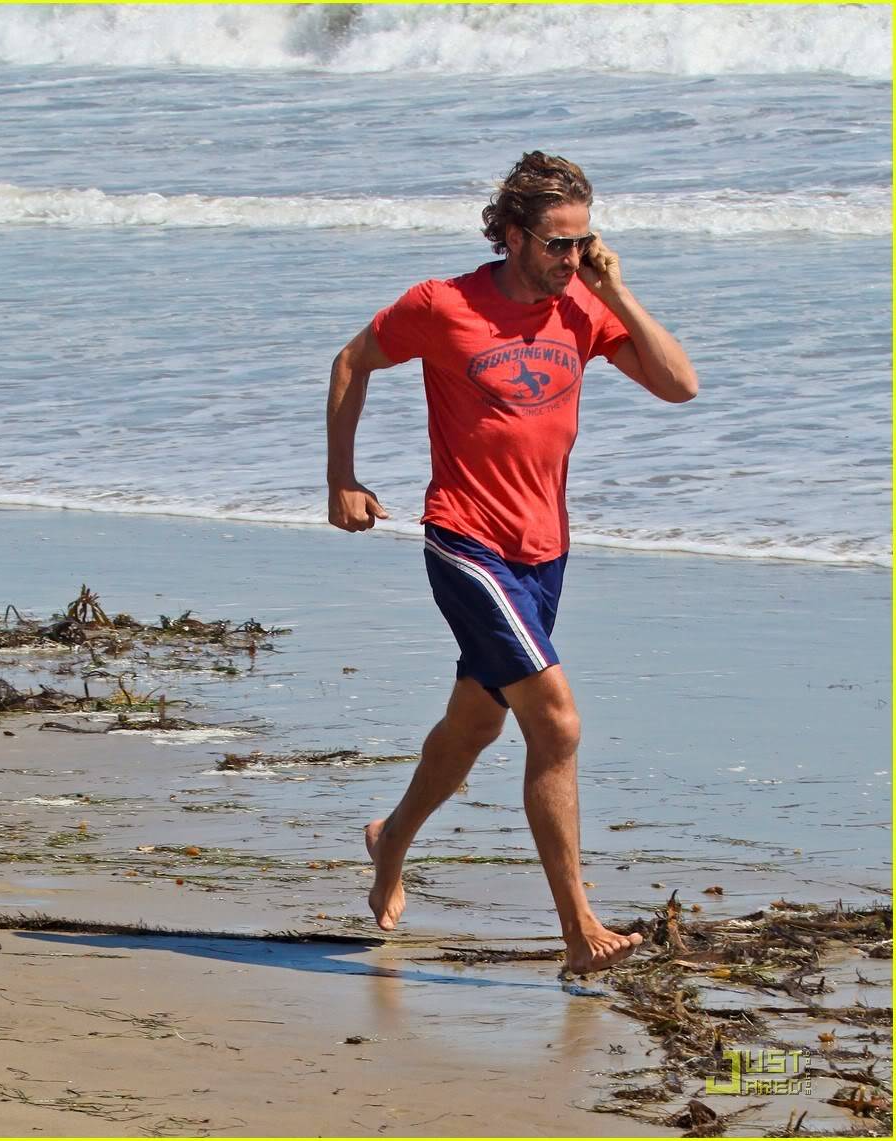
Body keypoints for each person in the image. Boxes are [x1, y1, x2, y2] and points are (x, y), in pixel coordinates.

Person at [325, 151, 698, 974]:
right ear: (514, 234)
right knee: (556, 723)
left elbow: (680, 385)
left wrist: (615, 292)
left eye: (584, 242)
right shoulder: (445, 305)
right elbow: (350, 362)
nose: (574, 258)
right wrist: (341, 478)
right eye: (559, 245)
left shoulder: (583, 309)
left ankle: (390, 839)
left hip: (545, 552)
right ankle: (578, 930)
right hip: (465, 542)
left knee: (475, 724)